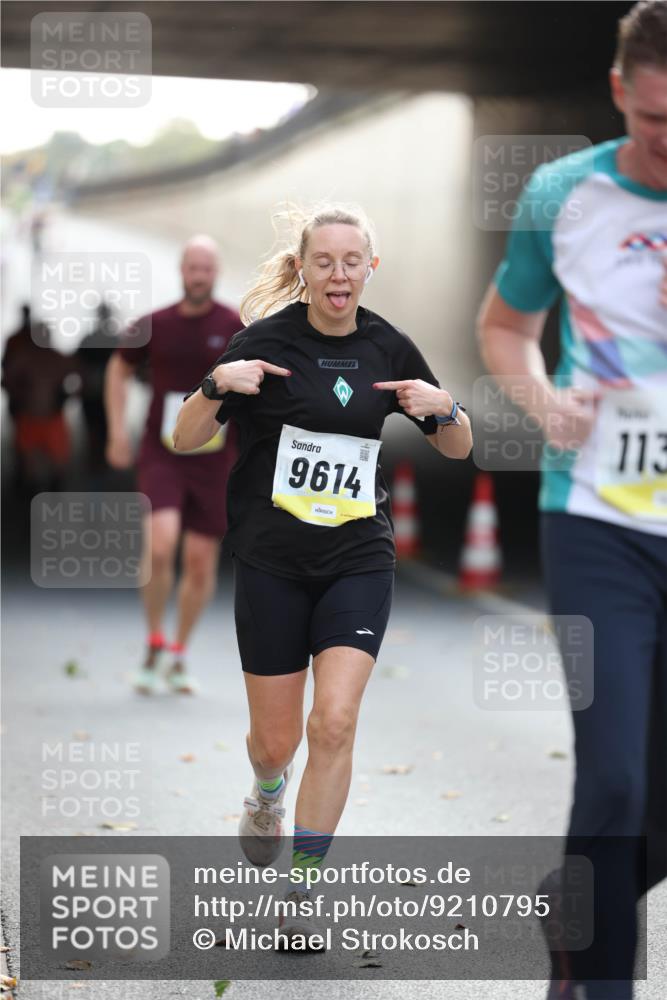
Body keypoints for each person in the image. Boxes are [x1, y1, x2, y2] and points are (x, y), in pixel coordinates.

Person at [175, 203, 472, 946]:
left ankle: (300, 890)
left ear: (370, 268)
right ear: (302, 269)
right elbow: (183, 440)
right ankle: (267, 790)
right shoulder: (264, 343)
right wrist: (218, 384)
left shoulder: (387, 346)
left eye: (351, 261)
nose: (337, 274)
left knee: (333, 721)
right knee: (274, 743)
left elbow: (457, 448)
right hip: (273, 562)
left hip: (356, 557)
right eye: (324, 261)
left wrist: (447, 408)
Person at [478, 3, 667, 997]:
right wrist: (544, 403)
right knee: (615, 779)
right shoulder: (564, 194)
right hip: (598, 516)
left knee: (651, 808)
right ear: (617, 94)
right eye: (655, 123)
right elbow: (504, 324)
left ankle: (574, 902)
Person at [105, 236, 240, 695]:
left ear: (215, 272)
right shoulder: (155, 324)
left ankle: (180, 652)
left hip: (217, 456)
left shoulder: (235, 325)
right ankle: (154, 639)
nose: (198, 275)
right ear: (181, 271)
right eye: (192, 267)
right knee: (161, 546)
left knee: (201, 563)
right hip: (164, 451)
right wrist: (116, 430)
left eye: (206, 268)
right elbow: (118, 368)